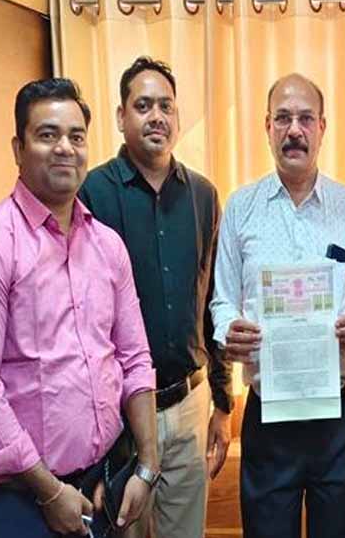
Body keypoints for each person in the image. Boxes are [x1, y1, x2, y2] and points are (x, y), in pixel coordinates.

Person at [0, 78, 159, 538]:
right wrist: (50, 492)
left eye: (76, 136)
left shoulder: (108, 246)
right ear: (18, 149)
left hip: (104, 485)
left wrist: (147, 465)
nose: (64, 149)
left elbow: (134, 357)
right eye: (47, 135)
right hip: (23, 501)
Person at [210, 73, 345, 538]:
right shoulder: (241, 207)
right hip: (270, 417)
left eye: (306, 118)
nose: (294, 130)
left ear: (322, 127)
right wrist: (229, 330)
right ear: (267, 126)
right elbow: (222, 301)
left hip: (338, 416)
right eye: (283, 118)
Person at [78, 56, 232, 538]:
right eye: (143, 106)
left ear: (177, 117)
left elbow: (212, 302)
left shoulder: (203, 195)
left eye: (166, 106)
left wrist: (223, 402)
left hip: (190, 404)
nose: (156, 116)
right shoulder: (91, 193)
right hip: (120, 416)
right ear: (120, 117)